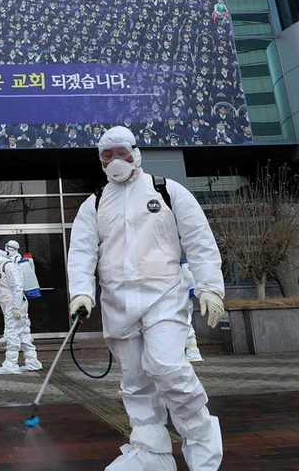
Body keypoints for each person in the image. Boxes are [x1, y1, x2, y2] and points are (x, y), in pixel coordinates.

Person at [67, 126, 225, 470]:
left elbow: (199, 239)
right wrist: (80, 292)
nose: (115, 160)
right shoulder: (95, 203)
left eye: (121, 152)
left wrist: (210, 287)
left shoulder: (166, 190)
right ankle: (151, 454)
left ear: (135, 153)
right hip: (117, 302)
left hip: (164, 296)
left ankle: (202, 446)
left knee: (167, 367)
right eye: (107, 155)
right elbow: (81, 251)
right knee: (135, 381)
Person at [0, 246, 42, 375]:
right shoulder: (1, 268)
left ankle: (10, 365)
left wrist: (16, 308)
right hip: (13, 305)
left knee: (11, 334)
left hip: (14, 306)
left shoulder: (9, 267)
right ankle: (32, 362)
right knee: (23, 333)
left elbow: (18, 288)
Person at [181, 257, 204, 363]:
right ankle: (192, 350)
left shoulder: (181, 265)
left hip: (180, 298)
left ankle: (192, 350)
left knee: (185, 322)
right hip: (181, 298)